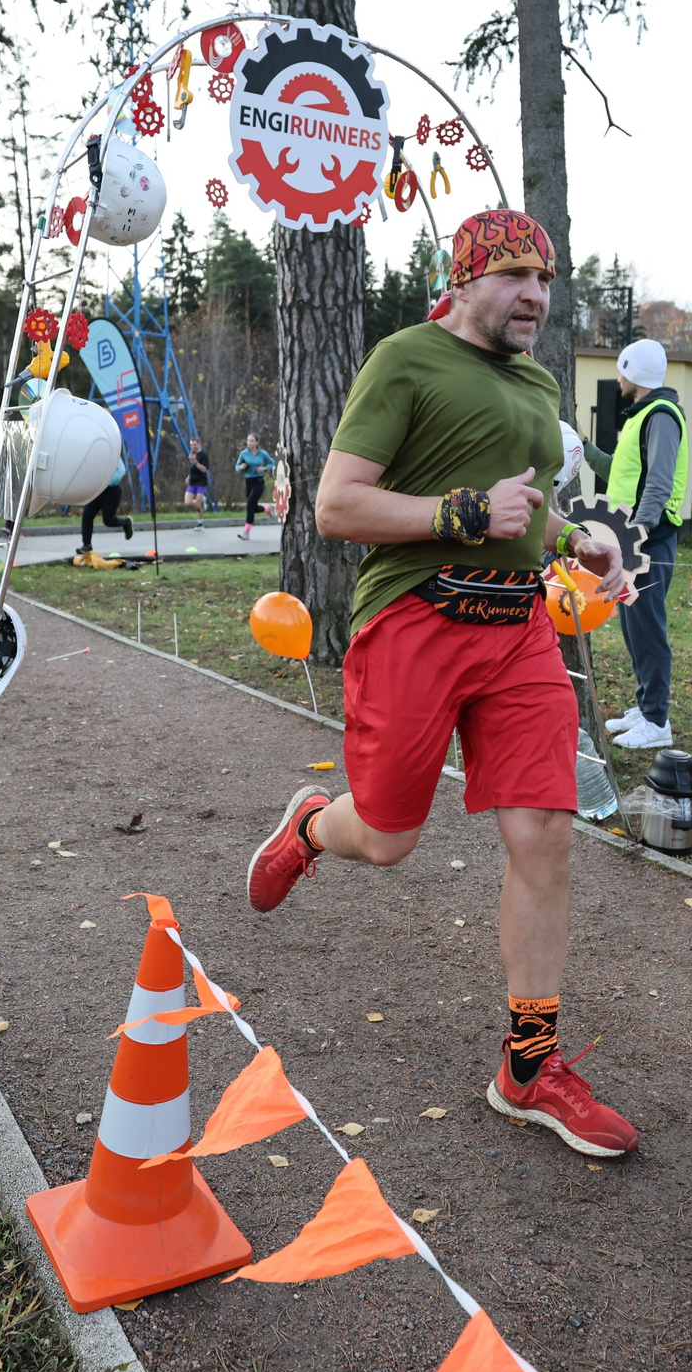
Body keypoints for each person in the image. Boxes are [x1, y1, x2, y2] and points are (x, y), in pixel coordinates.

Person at [244, 208, 639, 1159]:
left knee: (546, 830)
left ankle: (529, 1066)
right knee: (386, 839)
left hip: (516, 629)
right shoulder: (406, 359)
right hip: (415, 621)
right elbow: (338, 505)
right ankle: (311, 824)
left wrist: (579, 541)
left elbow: (523, 515)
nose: (535, 297)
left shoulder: (537, 381)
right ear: (464, 281)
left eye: (543, 281)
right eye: (513, 278)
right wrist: (461, 511)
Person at [584, 337, 690, 751]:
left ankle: (657, 720)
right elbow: (621, 473)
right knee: (632, 626)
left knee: (648, 629)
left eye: (621, 369)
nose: (618, 377)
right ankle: (645, 707)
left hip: (647, 539)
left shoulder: (661, 415)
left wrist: (637, 536)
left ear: (633, 372)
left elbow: (659, 484)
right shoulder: (641, 415)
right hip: (631, 539)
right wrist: (583, 448)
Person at [79, 452, 135, 555]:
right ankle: (87, 545)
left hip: (111, 491)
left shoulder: (112, 453)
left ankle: (126, 522)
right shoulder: (91, 453)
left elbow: (120, 472)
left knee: (108, 521)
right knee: (87, 514)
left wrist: (105, 482)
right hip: (96, 490)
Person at [236, 433, 275, 536]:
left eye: (252, 440)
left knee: (250, 504)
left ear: (257, 442)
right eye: (248, 440)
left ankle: (246, 532)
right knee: (251, 506)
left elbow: (273, 463)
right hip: (248, 481)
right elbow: (237, 466)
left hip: (259, 481)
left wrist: (265, 468)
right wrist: (241, 467)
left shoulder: (262, 454)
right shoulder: (244, 453)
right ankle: (266, 509)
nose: (249, 443)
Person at [183, 439, 211, 528]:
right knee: (187, 502)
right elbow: (192, 468)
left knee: (198, 504)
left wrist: (195, 461)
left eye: (194, 444)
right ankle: (202, 501)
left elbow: (204, 469)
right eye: (191, 445)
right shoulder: (191, 454)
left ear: (199, 444)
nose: (193, 447)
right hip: (192, 481)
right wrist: (188, 477)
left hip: (201, 481)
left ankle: (200, 522)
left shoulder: (203, 455)